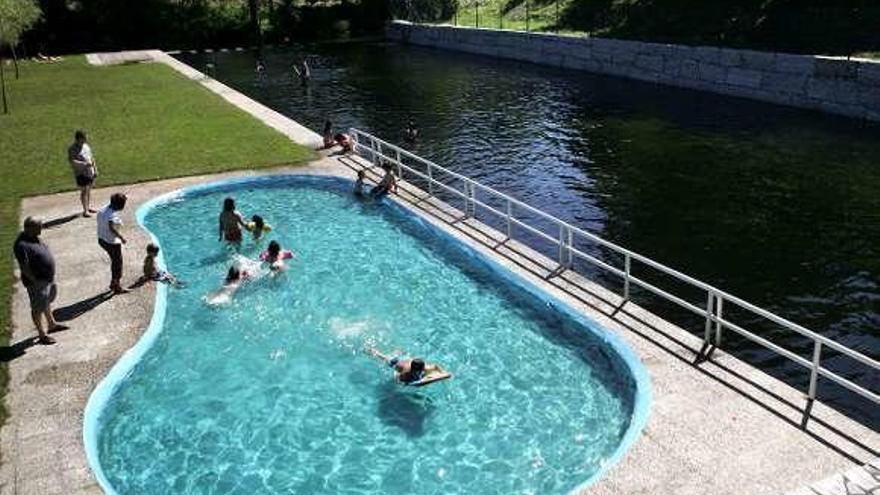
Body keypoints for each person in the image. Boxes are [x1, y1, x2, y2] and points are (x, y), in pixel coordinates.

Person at [13, 217, 66, 345]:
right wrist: (34, 280)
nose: (41, 229)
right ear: (29, 228)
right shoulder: (21, 245)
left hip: (47, 278)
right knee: (37, 308)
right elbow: (24, 266)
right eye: (39, 227)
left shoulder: (34, 237)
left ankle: (51, 324)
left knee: (46, 302)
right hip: (37, 282)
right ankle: (42, 334)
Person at [97, 193, 130, 294]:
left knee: (114, 261)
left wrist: (123, 196)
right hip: (111, 242)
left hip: (101, 239)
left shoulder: (103, 209)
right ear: (120, 206)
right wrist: (121, 238)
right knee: (117, 263)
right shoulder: (112, 215)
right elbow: (111, 228)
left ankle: (114, 282)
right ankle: (116, 285)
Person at [366, 347, 446, 385]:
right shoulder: (406, 373)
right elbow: (397, 379)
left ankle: (398, 351)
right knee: (384, 358)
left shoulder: (423, 366)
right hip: (396, 363)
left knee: (399, 356)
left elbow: (436, 366)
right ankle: (371, 351)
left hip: (406, 360)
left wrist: (442, 372)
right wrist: (404, 383)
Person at [68, 130, 98, 217]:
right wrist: (84, 164)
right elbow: (72, 161)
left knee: (88, 190)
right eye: (84, 138)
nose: (86, 139)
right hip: (81, 173)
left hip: (89, 172)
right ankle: (85, 211)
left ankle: (88, 207)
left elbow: (91, 157)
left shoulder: (86, 146)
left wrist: (95, 169)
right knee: (84, 191)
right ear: (79, 139)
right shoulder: (72, 149)